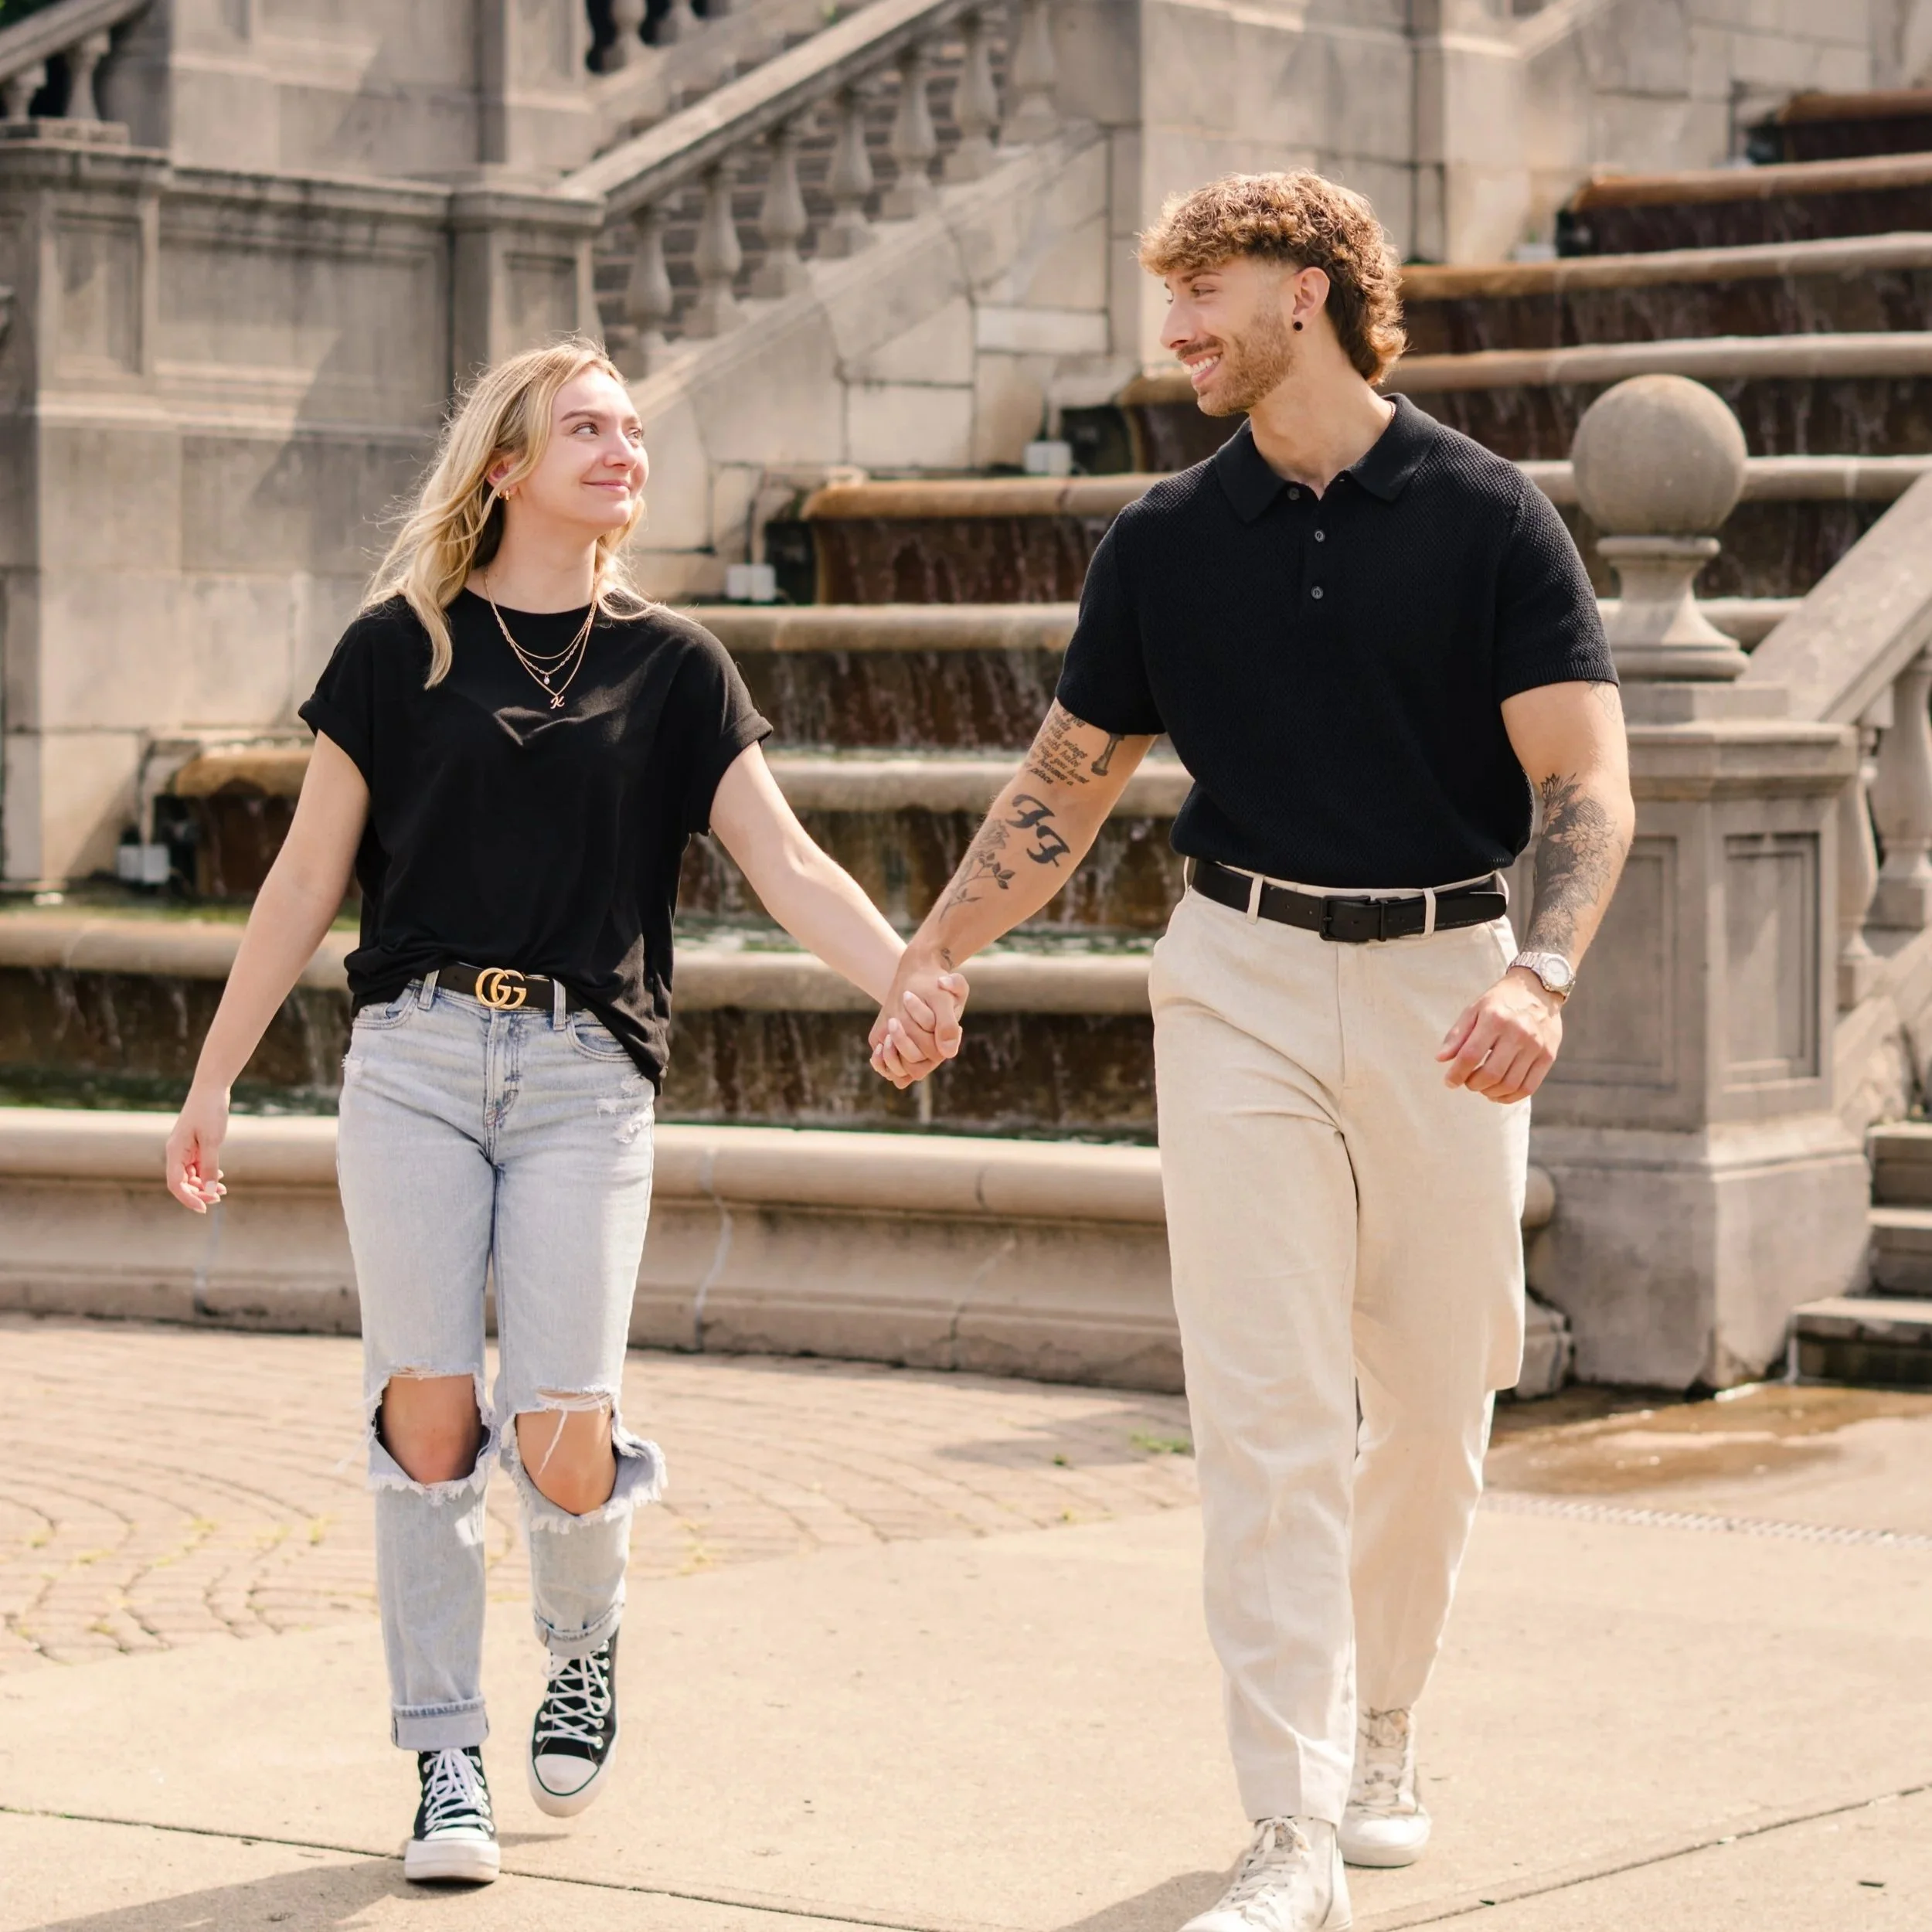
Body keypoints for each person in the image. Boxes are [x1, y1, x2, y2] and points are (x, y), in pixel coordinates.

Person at [870, 173, 1633, 1932]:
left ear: (1308, 290)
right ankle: (1284, 1825)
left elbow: (1582, 787)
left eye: (1203, 286)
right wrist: (933, 952)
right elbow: (1063, 785)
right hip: (1233, 975)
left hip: (1450, 976)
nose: (1176, 326)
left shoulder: (1487, 516)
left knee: (1436, 1406)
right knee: (1269, 1409)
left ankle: (1385, 1726)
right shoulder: (1158, 539)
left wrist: (1539, 972)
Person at [163, 338, 962, 1886]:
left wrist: (903, 975)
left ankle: (582, 1639)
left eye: (629, 427)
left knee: (563, 1432)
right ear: (506, 468)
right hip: (409, 1056)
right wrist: (213, 1072)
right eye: (581, 425)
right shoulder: (395, 652)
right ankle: (443, 1753)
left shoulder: (673, 665)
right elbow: (304, 876)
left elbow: (783, 862)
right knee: (428, 1412)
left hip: (586, 1075)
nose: (619, 445)